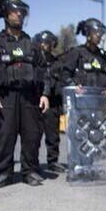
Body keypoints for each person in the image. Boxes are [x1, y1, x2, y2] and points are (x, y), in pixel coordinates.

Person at [0, 0, 50, 188]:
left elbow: (45, 71)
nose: (18, 15)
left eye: (22, 12)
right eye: (14, 11)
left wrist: (45, 94)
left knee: (32, 136)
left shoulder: (32, 44)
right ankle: (4, 173)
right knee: (4, 136)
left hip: (29, 97)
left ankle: (30, 171)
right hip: (4, 97)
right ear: (5, 14)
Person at [33, 30, 66, 173]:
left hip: (53, 103)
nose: (47, 46)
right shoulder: (33, 61)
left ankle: (53, 161)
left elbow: (63, 81)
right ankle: (32, 162)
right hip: (35, 102)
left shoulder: (57, 63)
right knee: (34, 135)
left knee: (53, 135)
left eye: (49, 43)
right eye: (44, 42)